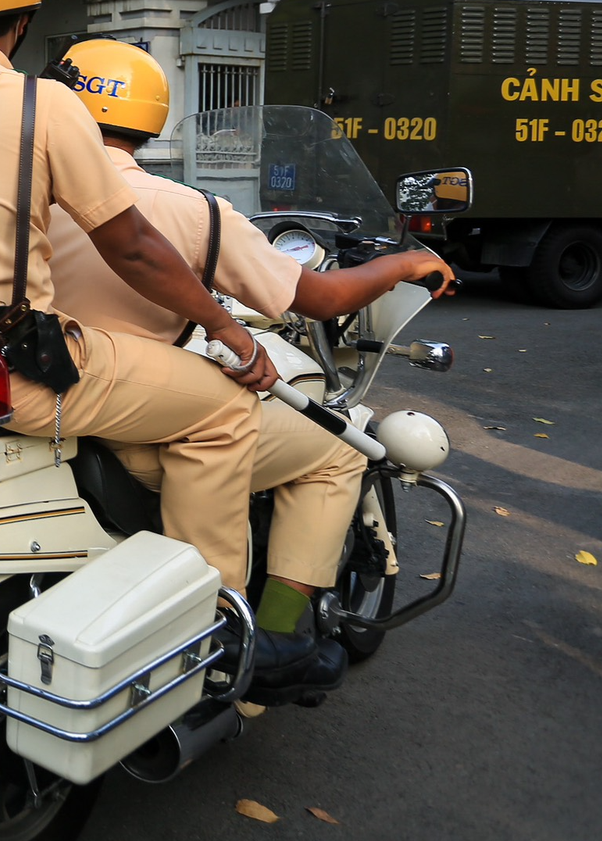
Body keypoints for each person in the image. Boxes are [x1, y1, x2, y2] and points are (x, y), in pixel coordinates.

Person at [0, 0, 324, 693]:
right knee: (224, 410)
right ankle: (213, 631)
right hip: (18, 372)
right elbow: (133, 246)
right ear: (25, 17)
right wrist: (227, 334)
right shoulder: (42, 103)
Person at [44, 39, 456, 701]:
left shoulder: (31, 194)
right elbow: (319, 298)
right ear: (150, 118)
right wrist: (407, 264)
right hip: (142, 426)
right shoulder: (189, 211)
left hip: (53, 405)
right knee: (340, 444)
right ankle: (280, 633)